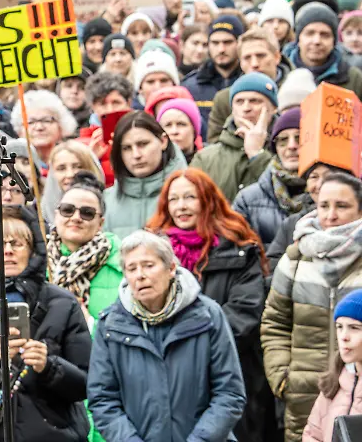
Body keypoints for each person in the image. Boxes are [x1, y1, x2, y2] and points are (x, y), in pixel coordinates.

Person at [146, 168, 272, 442]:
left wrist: (190, 345)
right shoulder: (150, 252)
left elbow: (244, 312)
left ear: (207, 200)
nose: (181, 206)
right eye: (174, 199)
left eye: (189, 197)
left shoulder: (239, 248)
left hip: (227, 373)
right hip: (168, 377)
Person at [87, 230, 247, 442]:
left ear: (171, 268)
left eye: (148, 265)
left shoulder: (208, 315)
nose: (140, 275)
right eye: (131, 268)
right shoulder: (111, 324)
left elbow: (229, 393)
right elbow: (103, 400)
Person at [0, 205, 92, 441]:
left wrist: (48, 366)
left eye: (17, 244)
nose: (7, 251)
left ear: (32, 250)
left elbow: (87, 384)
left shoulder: (63, 302)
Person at [262, 172, 362, 441]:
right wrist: (283, 378)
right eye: (323, 205)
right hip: (303, 394)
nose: (330, 215)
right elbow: (274, 322)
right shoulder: (296, 256)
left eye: (342, 206)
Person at [47, 172, 123, 323]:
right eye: (67, 210)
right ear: (56, 215)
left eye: (87, 213)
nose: (76, 218)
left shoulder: (122, 263)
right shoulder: (37, 259)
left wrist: (90, 325)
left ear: (100, 223)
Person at [191, 72, 278, 202]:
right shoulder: (205, 158)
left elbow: (287, 198)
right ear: (232, 109)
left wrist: (257, 154)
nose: (246, 108)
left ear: (273, 108)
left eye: (255, 101)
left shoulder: (289, 149)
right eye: (239, 102)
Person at [102, 111, 187, 239]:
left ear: (163, 141)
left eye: (143, 144)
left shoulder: (190, 195)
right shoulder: (106, 201)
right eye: (127, 148)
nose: (136, 155)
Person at [233, 108, 305, 247]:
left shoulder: (329, 193)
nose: (291, 146)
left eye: (299, 138)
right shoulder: (247, 200)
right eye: (283, 140)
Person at [304, 289, 362, 442]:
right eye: (339, 327)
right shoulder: (335, 380)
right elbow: (312, 434)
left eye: (354, 328)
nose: (344, 337)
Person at [40, 140, 105, 226]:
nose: (70, 174)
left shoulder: (111, 202)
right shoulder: (41, 212)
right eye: (61, 168)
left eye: (78, 167)